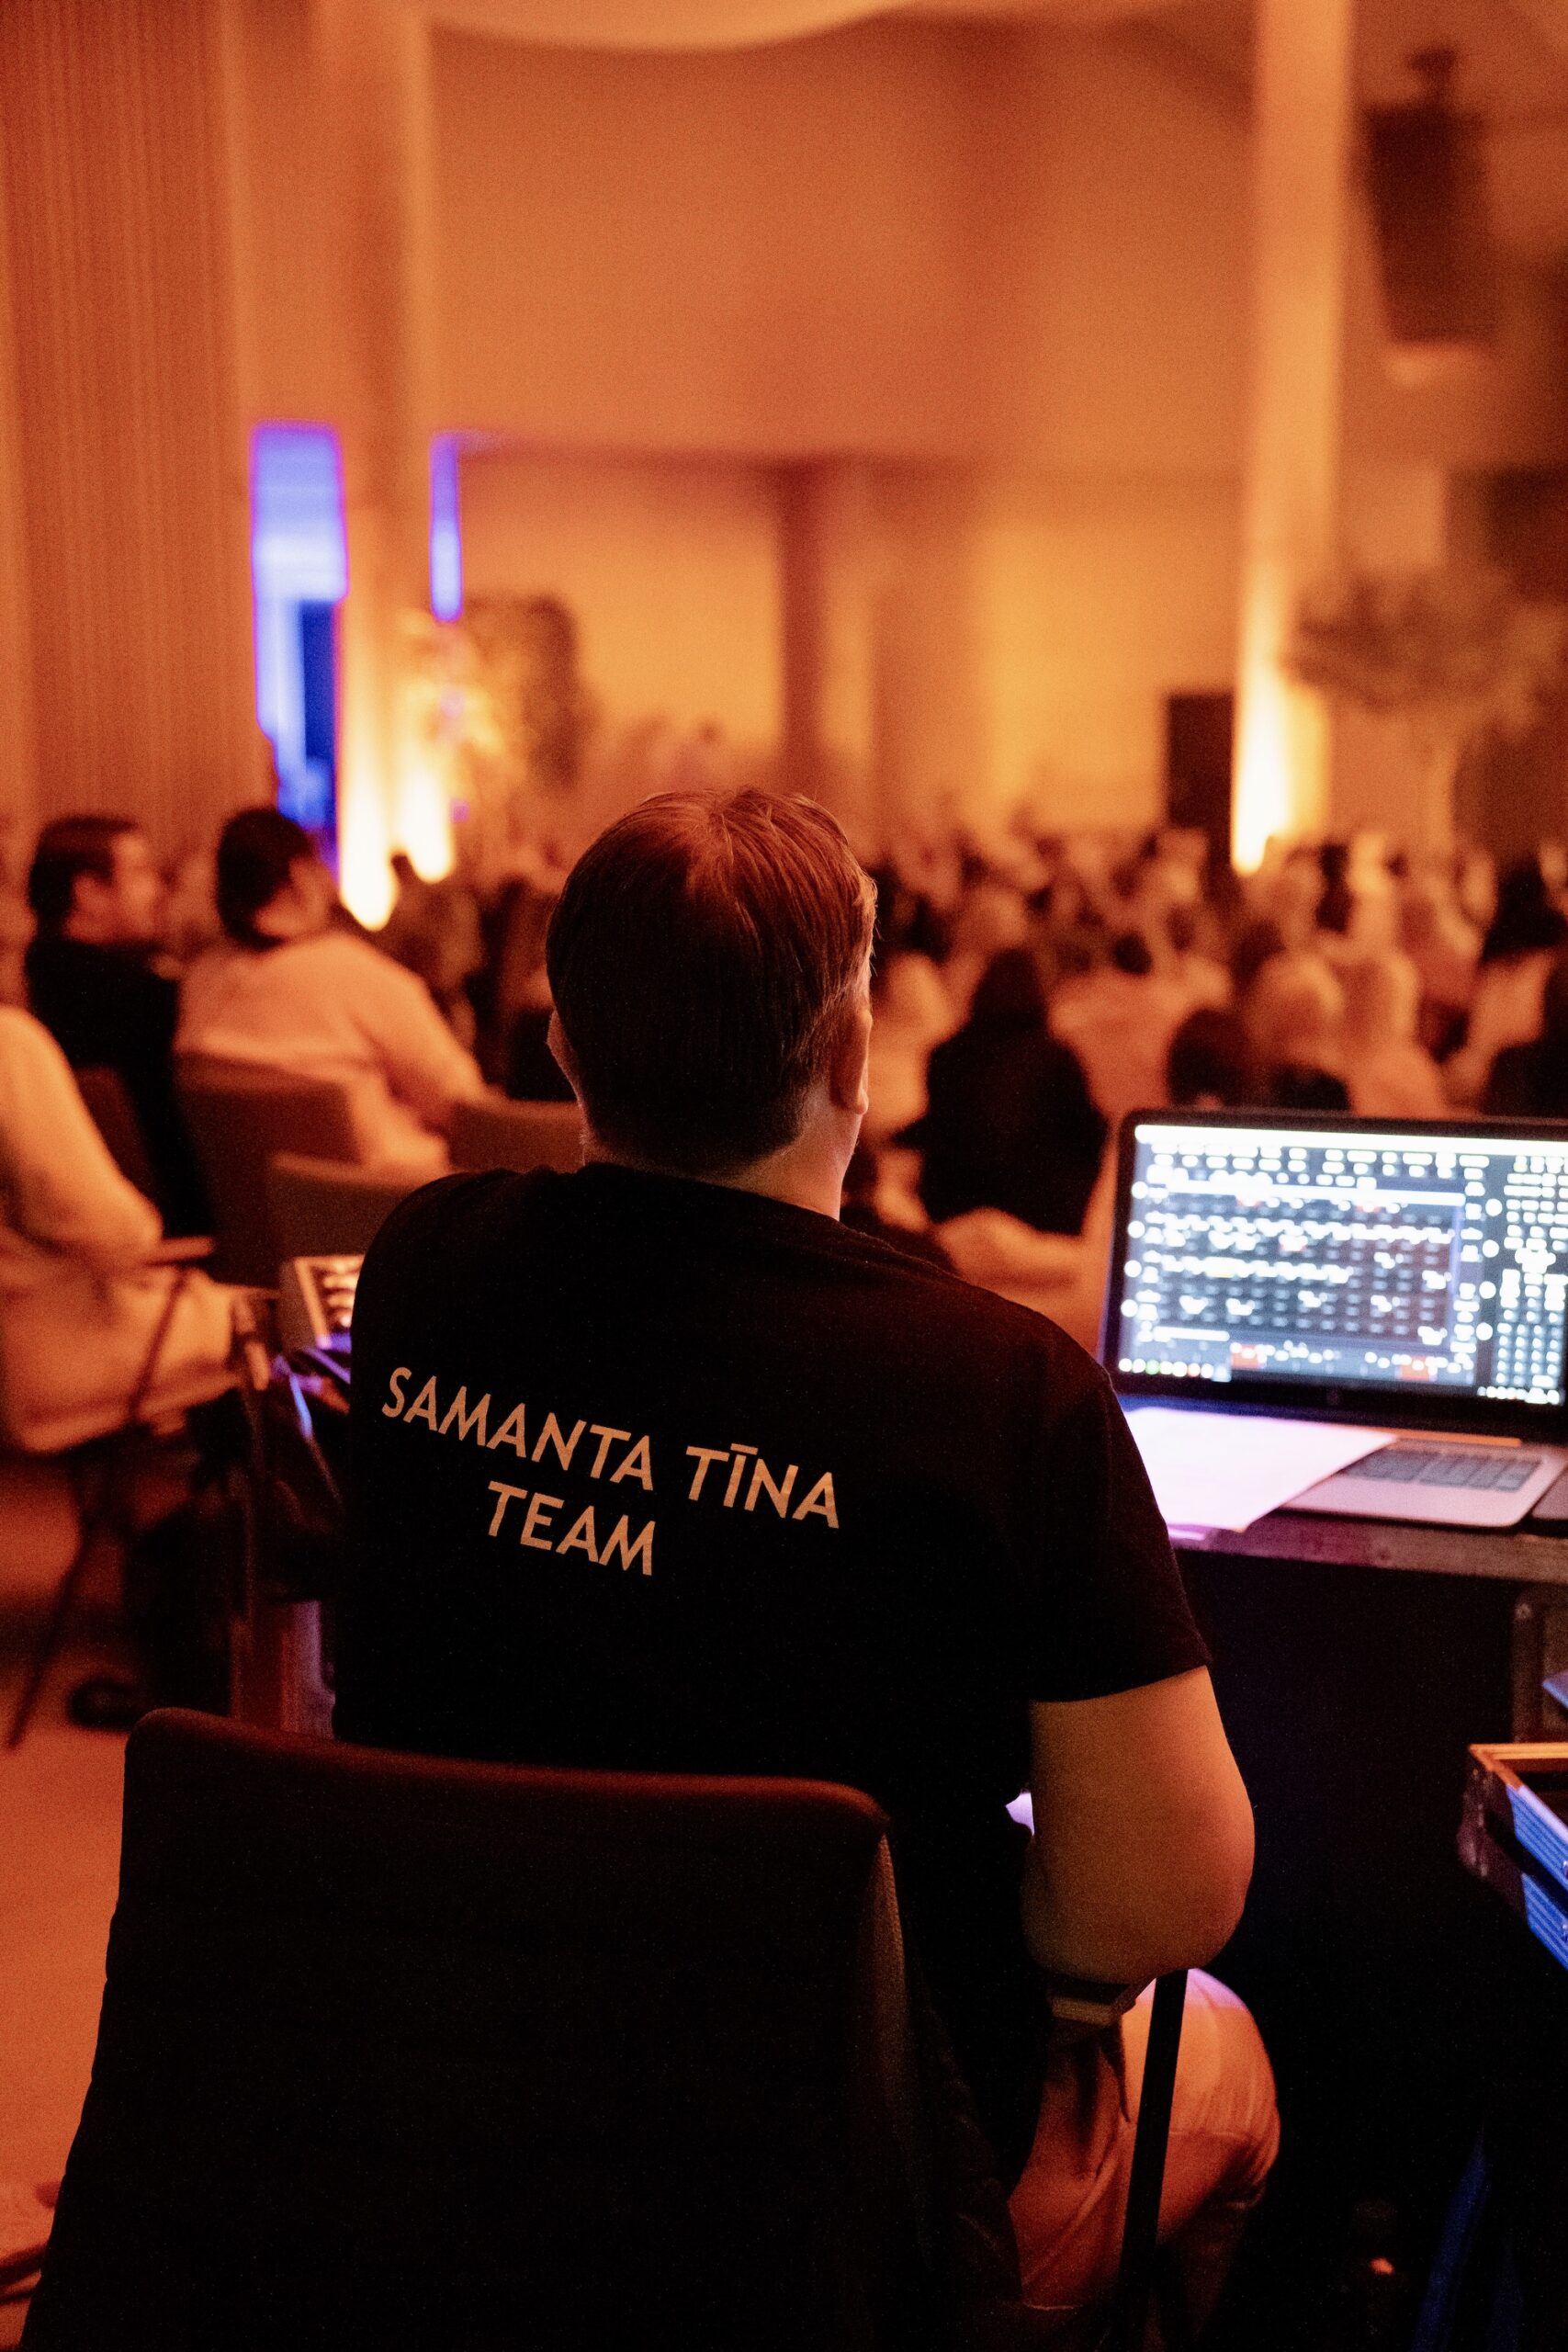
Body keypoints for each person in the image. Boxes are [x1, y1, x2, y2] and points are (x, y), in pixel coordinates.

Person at [336, 787, 1275, 2330]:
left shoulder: (424, 1263)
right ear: (851, 1054)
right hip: (846, 2200)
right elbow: (1155, 1912)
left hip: (450, 2117)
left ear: (561, 1040)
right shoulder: (1003, 1390)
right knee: (1225, 2057)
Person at [178, 808, 485, 1175]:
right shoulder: (349, 972)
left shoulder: (200, 982)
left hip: (254, 1207)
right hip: (390, 1198)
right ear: (299, 874)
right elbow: (463, 1102)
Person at [0, 1003, 231, 1453]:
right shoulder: (10, 1044)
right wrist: (141, 1229)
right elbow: (105, 1230)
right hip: (53, 1354)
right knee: (286, 1323)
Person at [25, 815, 210, 1234]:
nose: (158, 890)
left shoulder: (43, 985)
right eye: (141, 872)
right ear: (89, 893)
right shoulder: (148, 999)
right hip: (169, 1228)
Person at [912, 946, 1107, 1236]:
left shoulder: (945, 1054)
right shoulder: (1056, 1058)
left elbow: (939, 1128)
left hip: (954, 1205)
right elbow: (1088, 1134)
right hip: (1042, 1211)